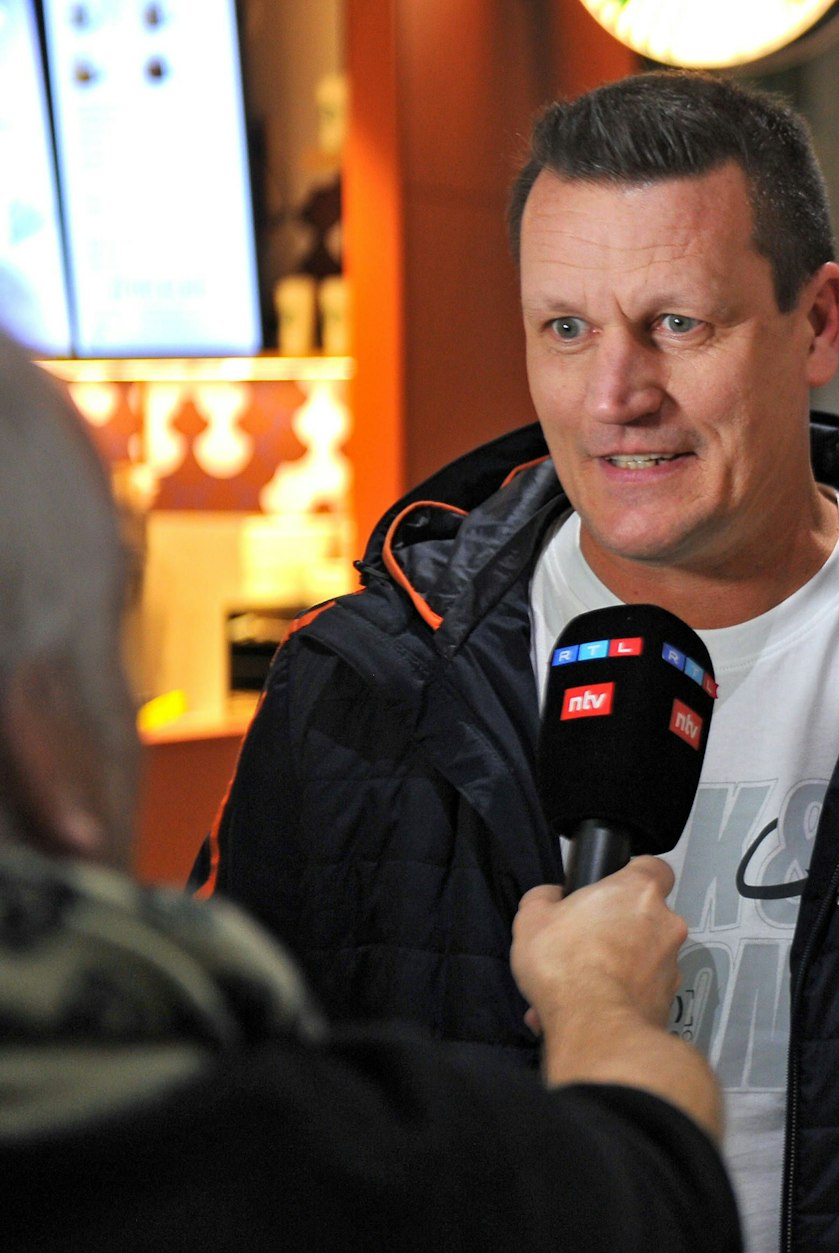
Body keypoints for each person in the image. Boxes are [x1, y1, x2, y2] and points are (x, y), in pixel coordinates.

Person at [192, 71, 839, 1251]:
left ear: (817, 322)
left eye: (677, 325)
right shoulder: (357, 687)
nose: (615, 396)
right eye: (565, 329)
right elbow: (225, 1133)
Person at [0, 330, 738, 1251]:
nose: (619, 391)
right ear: (40, 732)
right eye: (118, 649)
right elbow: (651, 1190)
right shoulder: (273, 1164)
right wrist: (600, 1002)